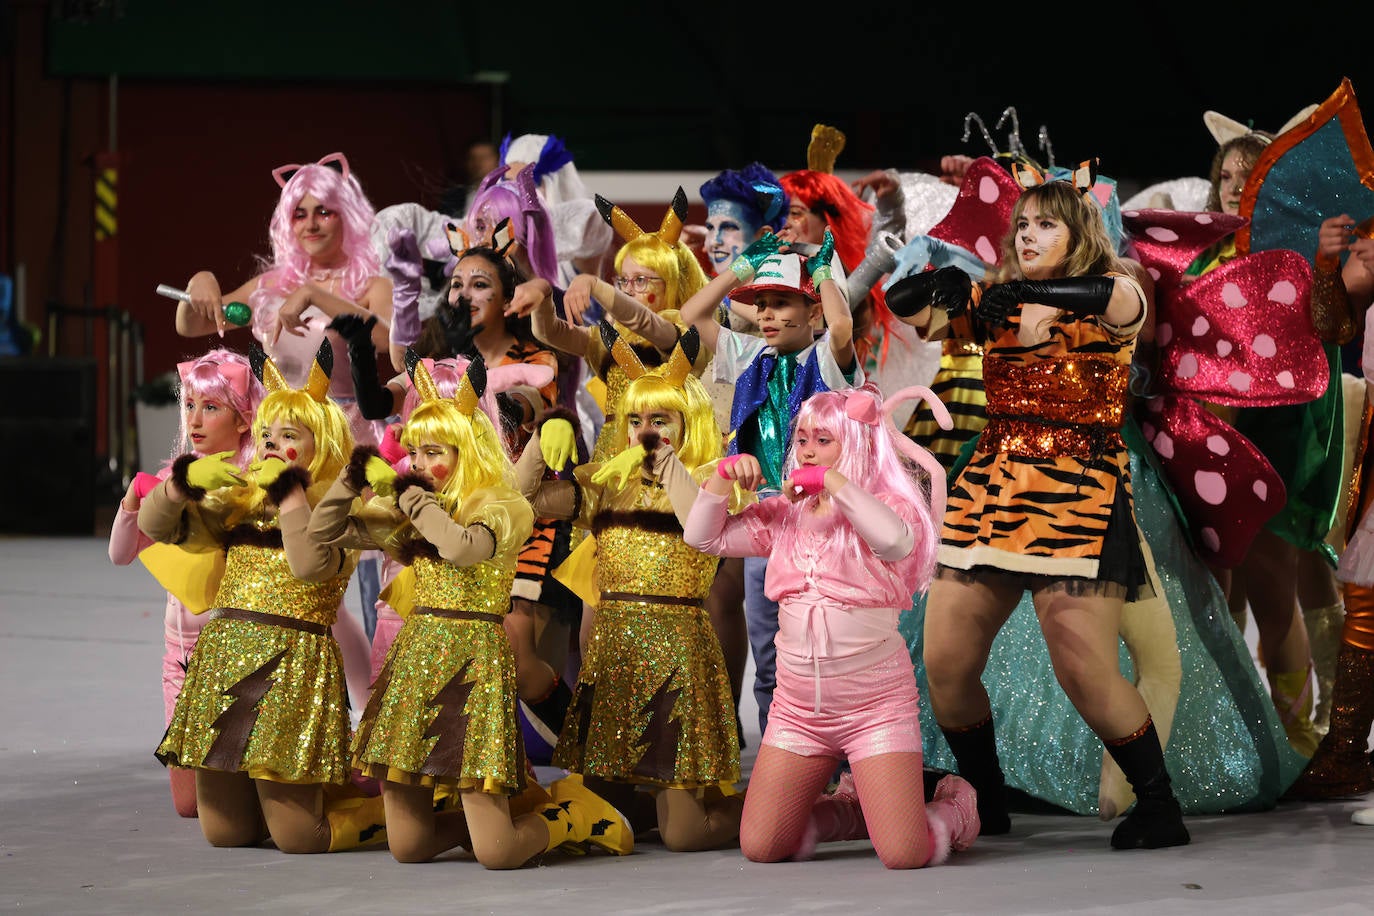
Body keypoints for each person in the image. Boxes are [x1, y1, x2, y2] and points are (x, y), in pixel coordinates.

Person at [904, 174, 1190, 849]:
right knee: (945, 664)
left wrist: (1027, 293)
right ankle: (985, 798)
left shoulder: (1115, 291)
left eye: (1046, 224)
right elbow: (905, 305)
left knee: (1084, 670)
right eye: (1023, 224)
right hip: (990, 494)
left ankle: (1160, 805)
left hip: (1077, 496)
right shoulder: (997, 304)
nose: (1028, 235)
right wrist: (940, 280)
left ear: (1079, 234)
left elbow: (1118, 300)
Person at [306, 354, 631, 865]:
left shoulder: (501, 504)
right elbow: (322, 533)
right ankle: (496, 816)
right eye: (413, 452)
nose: (417, 465)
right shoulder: (416, 505)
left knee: (499, 854)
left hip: (475, 664)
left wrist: (411, 502)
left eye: (432, 452)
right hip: (415, 663)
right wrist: (351, 479)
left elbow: (461, 548)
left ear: (467, 449)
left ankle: (573, 814)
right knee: (408, 847)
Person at [684, 383, 979, 868]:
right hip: (798, 711)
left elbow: (896, 543)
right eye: (802, 440)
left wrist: (834, 483)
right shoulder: (785, 513)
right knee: (761, 846)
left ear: (856, 444)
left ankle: (954, 808)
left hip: (875, 708)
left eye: (824, 440)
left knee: (905, 855)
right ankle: (854, 810)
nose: (808, 451)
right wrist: (720, 479)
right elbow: (702, 539)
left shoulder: (891, 506)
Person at [138, 342, 386, 853]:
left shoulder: (340, 508)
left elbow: (306, 564)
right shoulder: (240, 501)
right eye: (267, 434)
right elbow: (155, 527)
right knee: (224, 833)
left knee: (300, 838)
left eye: (289, 436)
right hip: (224, 664)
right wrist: (180, 485)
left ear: (322, 443)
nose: (271, 445)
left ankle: (394, 815)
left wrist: (290, 493)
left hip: (291, 670)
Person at [516, 331, 745, 851]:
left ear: (688, 423)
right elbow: (519, 504)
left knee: (684, 836)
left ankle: (762, 806)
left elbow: (699, 527)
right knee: (598, 805)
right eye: (635, 420)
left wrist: (666, 464)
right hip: (615, 658)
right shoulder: (608, 484)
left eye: (660, 420)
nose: (645, 433)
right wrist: (546, 432)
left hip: (678, 658)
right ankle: (653, 807)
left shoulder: (713, 478)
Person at [173, 152, 388, 695]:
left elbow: (387, 339)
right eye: (300, 213)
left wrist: (315, 295)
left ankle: (369, 714)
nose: (311, 223)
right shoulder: (272, 282)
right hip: (279, 449)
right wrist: (202, 281)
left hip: (343, 443)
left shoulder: (371, 282)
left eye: (324, 211)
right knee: (295, 588)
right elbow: (191, 322)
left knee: (352, 589)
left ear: (346, 214)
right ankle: (321, 711)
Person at [678, 227, 863, 737]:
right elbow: (692, 315)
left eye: (781, 303)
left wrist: (822, 273)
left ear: (812, 312)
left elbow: (842, 326)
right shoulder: (749, 356)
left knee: (825, 653)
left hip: (826, 527)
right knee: (769, 657)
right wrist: (744, 265)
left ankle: (836, 765)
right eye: (760, 305)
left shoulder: (826, 359)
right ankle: (777, 762)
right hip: (769, 525)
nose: (766, 315)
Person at [108, 348, 264, 817]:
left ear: (243, 419)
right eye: (191, 405)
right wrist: (134, 498)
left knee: (244, 803)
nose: (194, 419)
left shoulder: (255, 487)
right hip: (179, 660)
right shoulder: (170, 481)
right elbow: (119, 554)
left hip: (238, 659)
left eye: (211, 407)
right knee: (188, 805)